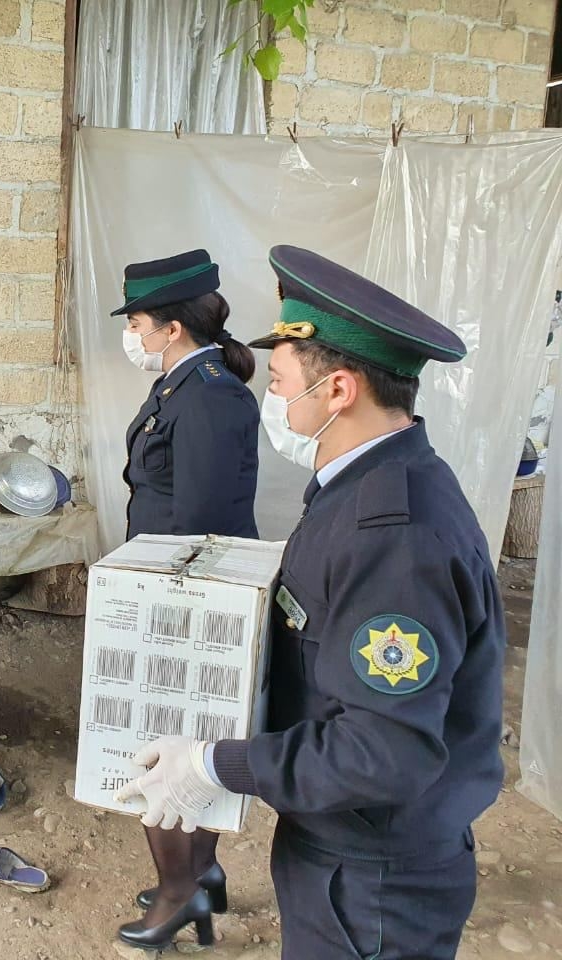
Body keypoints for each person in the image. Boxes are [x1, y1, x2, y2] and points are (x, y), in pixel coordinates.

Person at [123, 245, 504, 960]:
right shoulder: (367, 485)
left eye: (279, 380)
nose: (268, 396)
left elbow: (385, 750)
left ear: (337, 391)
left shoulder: (395, 538)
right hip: (344, 844)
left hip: (373, 875)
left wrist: (215, 764)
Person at [111, 249, 259, 951]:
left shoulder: (208, 395)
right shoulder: (182, 383)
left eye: (137, 322)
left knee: (163, 744)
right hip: (163, 585)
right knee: (179, 737)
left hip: (184, 598)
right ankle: (200, 873)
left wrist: (168, 615)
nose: (131, 334)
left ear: (171, 328)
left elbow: (202, 526)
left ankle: (180, 891)